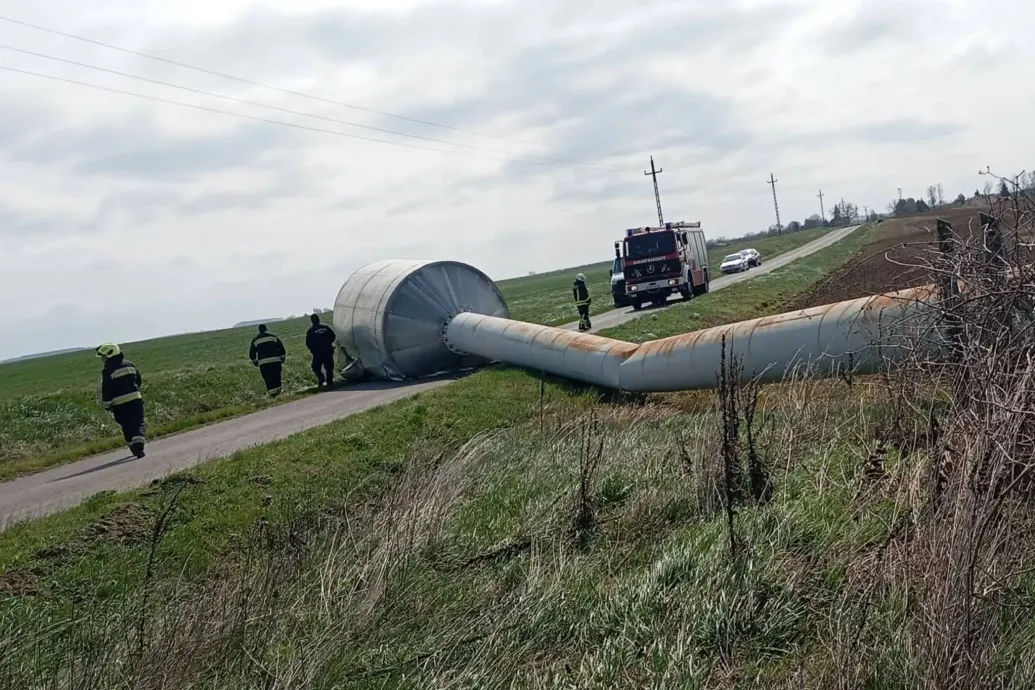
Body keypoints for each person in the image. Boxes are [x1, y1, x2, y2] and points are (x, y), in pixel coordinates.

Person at [96, 342, 147, 459]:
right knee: (138, 424)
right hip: (135, 401)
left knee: (127, 426)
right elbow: (138, 381)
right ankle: (138, 446)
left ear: (109, 355)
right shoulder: (130, 365)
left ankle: (134, 446)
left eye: (103, 357)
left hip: (119, 406)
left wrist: (107, 404)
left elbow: (107, 389)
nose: (102, 359)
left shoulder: (108, 370)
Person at [249, 324, 287, 397]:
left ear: (259, 330)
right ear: (266, 329)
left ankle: (273, 395)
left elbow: (252, 352)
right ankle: (279, 392)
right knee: (277, 376)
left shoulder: (255, 339)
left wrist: (254, 361)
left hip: (264, 363)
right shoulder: (273, 337)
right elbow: (281, 347)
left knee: (268, 378)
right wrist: (282, 357)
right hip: (275, 360)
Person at [305, 313, 337, 388]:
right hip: (328, 351)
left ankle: (321, 377)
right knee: (329, 367)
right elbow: (333, 336)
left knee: (315, 366)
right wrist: (328, 343)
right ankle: (330, 382)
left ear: (312, 321)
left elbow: (308, 343)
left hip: (318, 353)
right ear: (318, 320)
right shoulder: (325, 328)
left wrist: (313, 350)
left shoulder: (311, 331)